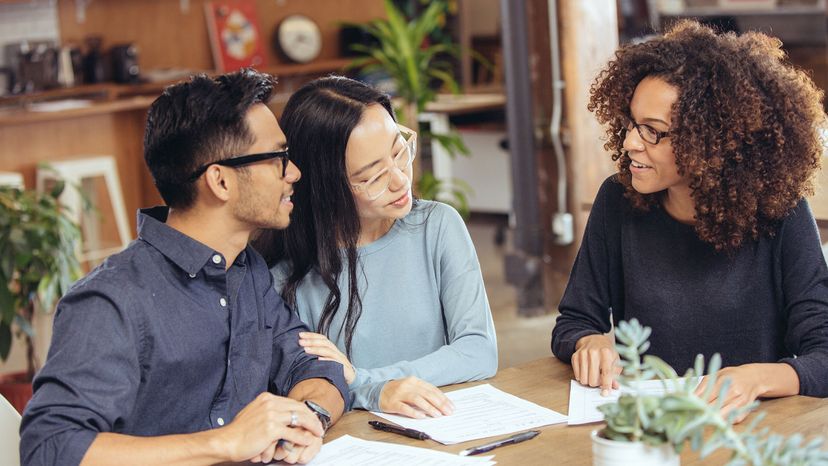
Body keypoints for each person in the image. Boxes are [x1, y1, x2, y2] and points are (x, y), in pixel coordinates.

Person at [20, 69, 347, 466]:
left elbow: (315, 364)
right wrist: (223, 443)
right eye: (278, 158)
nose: (293, 172)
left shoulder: (247, 271)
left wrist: (304, 419)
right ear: (220, 182)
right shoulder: (111, 300)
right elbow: (50, 447)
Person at [551, 20, 828, 419]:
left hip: (758, 433)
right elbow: (574, 322)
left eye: (653, 131)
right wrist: (588, 341)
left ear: (712, 141)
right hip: (652, 426)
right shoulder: (618, 200)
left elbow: (824, 353)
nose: (629, 142)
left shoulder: (781, 213)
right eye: (631, 123)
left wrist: (758, 378)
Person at [253, 76, 498, 417]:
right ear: (326, 187)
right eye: (372, 177)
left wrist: (368, 382)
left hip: (444, 424)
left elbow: (478, 352)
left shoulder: (438, 226)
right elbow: (303, 391)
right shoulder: (284, 277)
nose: (400, 179)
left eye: (400, 152)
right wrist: (371, 392)